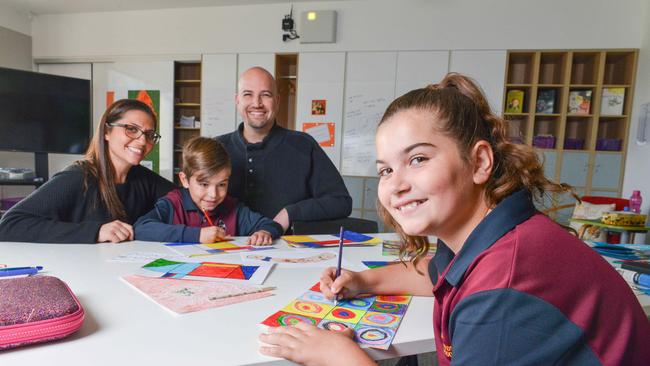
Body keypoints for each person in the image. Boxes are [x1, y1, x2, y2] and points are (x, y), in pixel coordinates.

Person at [258, 73, 650, 365]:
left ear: (479, 162)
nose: (396, 186)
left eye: (418, 159)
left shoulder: (504, 288)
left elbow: (485, 292)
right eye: (385, 171)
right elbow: (434, 272)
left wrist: (340, 357)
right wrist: (362, 280)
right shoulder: (492, 237)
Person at [0, 99, 175, 244]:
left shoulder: (144, 178)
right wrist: (97, 231)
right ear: (107, 131)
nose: (142, 141)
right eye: (131, 129)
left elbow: (186, 200)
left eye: (149, 134)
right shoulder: (78, 176)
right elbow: (9, 225)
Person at [217, 67, 351, 232]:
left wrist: (290, 213)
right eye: (248, 94)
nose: (257, 103)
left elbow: (341, 201)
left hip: (288, 254)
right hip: (225, 252)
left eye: (266, 95)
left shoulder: (304, 145)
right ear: (237, 100)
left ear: (278, 101)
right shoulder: (216, 148)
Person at [134, 137, 283, 245]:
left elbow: (270, 224)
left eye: (222, 184)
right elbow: (141, 228)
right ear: (185, 180)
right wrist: (196, 235)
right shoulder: (173, 204)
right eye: (204, 184)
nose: (213, 195)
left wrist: (265, 232)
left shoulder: (233, 207)